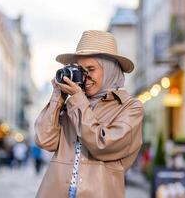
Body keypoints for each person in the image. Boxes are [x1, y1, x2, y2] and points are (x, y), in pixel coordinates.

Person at [34, 30, 144, 198]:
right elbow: (44, 140)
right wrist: (58, 95)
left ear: (109, 69)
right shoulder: (72, 104)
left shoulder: (130, 107)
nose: (85, 77)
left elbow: (103, 145)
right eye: (80, 70)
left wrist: (78, 100)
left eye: (90, 69)